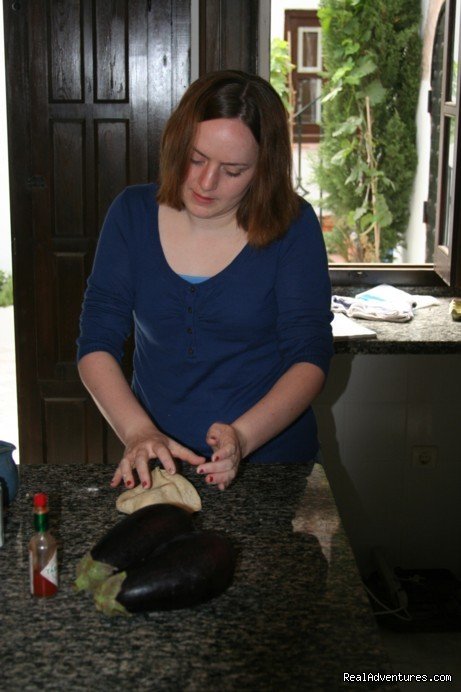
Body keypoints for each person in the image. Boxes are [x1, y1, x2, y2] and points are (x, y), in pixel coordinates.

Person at [77, 69, 333, 492]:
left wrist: (243, 437)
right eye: (196, 159)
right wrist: (138, 432)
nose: (206, 183)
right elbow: (96, 341)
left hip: (273, 465)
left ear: (263, 171)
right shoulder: (131, 215)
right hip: (159, 465)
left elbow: (309, 355)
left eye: (233, 171)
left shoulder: (293, 226)